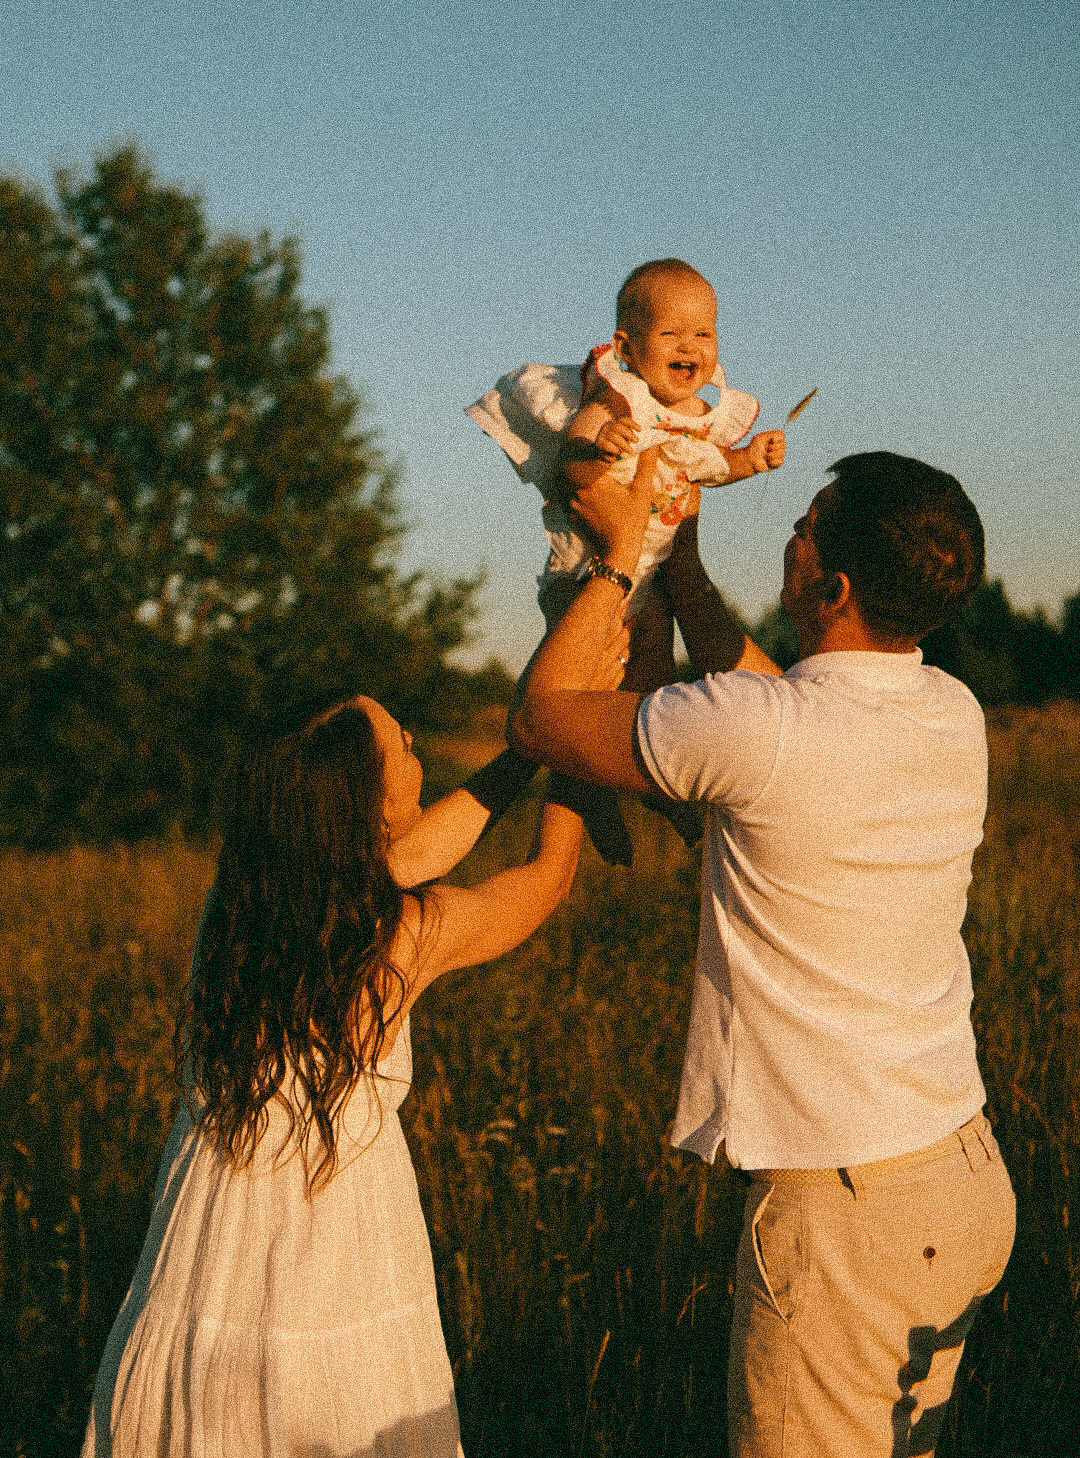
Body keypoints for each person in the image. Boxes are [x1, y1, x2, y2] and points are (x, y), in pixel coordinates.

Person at [509, 447, 1016, 1458]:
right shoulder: (948, 712)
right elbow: (774, 707)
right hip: (959, 1178)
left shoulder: (762, 729)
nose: (790, 528)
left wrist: (620, 558)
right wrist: (685, 567)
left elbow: (542, 718)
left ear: (825, 583)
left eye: (807, 519)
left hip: (842, 1218)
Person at [81, 689, 607, 1458]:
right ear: (371, 805)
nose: (416, 744)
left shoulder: (233, 907)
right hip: (336, 1245)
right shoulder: (404, 934)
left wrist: (529, 749)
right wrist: (575, 750)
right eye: (403, 744)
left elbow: (412, 851)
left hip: (208, 1246)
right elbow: (545, 877)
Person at [467, 257, 784, 862]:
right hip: (591, 574)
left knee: (651, 684)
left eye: (704, 333)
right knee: (587, 691)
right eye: (671, 333)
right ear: (627, 346)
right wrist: (594, 444)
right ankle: (592, 802)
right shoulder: (618, 397)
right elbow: (574, 469)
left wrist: (753, 458)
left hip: (653, 577)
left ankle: (651, 792)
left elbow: (712, 469)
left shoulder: (699, 418)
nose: (690, 346)